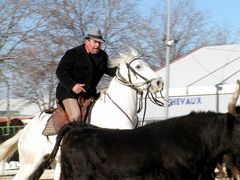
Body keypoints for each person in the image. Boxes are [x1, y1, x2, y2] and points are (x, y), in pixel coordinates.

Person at [55, 29, 117, 122]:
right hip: (68, 93)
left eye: (99, 43)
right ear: (87, 41)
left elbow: (112, 71)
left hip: (89, 94)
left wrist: (126, 71)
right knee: (76, 116)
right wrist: (73, 85)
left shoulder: (103, 56)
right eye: (95, 42)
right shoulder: (73, 53)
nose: (97, 45)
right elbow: (60, 71)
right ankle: (70, 136)